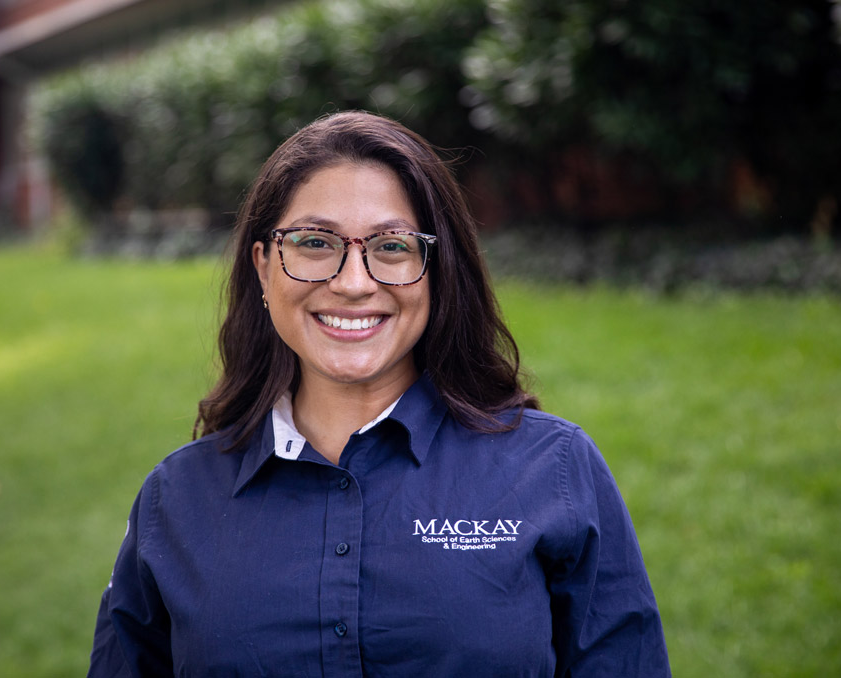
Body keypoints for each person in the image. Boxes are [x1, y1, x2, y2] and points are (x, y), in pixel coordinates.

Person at [88, 110, 671, 677]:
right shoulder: (177, 498)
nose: (352, 282)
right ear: (264, 267)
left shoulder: (555, 470)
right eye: (315, 242)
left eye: (393, 247)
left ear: (438, 274)